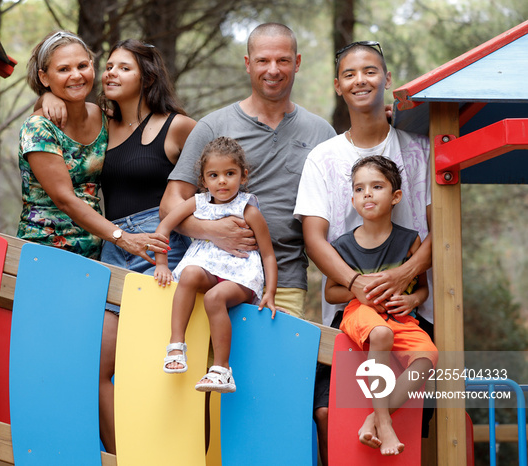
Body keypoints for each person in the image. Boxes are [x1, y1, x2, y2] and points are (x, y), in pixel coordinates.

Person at [17, 31, 169, 454]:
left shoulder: (104, 115)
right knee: (56, 362)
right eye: (62, 69)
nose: (76, 74)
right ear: (44, 77)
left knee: (97, 362)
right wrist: (124, 237)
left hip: (96, 256)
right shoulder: (38, 125)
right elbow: (65, 198)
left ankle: (116, 454)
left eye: (82, 65)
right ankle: (52, 450)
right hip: (49, 254)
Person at [293, 41, 433, 465]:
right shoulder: (323, 157)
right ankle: (375, 422)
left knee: (420, 416)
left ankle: (381, 421)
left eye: (371, 71)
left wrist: (404, 275)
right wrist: (355, 283)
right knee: (327, 412)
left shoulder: (418, 149)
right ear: (338, 85)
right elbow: (313, 237)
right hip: (348, 315)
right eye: (350, 74)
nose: (361, 80)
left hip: (409, 311)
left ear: (387, 79)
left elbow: (440, 227)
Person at [160, 23, 336, 319]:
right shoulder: (213, 126)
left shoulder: (321, 133)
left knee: (275, 366)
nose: (273, 70)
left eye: (283, 60)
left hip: (285, 281)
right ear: (247, 64)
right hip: (217, 274)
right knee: (215, 365)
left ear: (298, 62)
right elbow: (170, 202)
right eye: (263, 60)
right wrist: (211, 230)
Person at [325, 155, 437, 455]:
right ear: (352, 199)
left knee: (428, 356)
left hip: (401, 319)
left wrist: (411, 299)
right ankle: (385, 425)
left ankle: (374, 417)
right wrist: (357, 293)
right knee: (381, 335)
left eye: (376, 186)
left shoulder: (409, 241)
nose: (367, 194)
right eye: (359, 189)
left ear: (395, 196)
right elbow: (331, 293)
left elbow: (423, 289)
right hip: (359, 315)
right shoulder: (343, 246)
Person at [154, 137, 277, 393]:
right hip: (208, 270)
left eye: (229, 173)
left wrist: (270, 293)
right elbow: (164, 226)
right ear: (203, 180)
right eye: (214, 175)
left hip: (239, 277)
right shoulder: (197, 203)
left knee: (214, 298)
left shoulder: (248, 210)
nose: (222, 181)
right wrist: (162, 264)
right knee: (188, 274)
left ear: (243, 176)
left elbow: (267, 255)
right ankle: (176, 345)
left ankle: (222, 370)